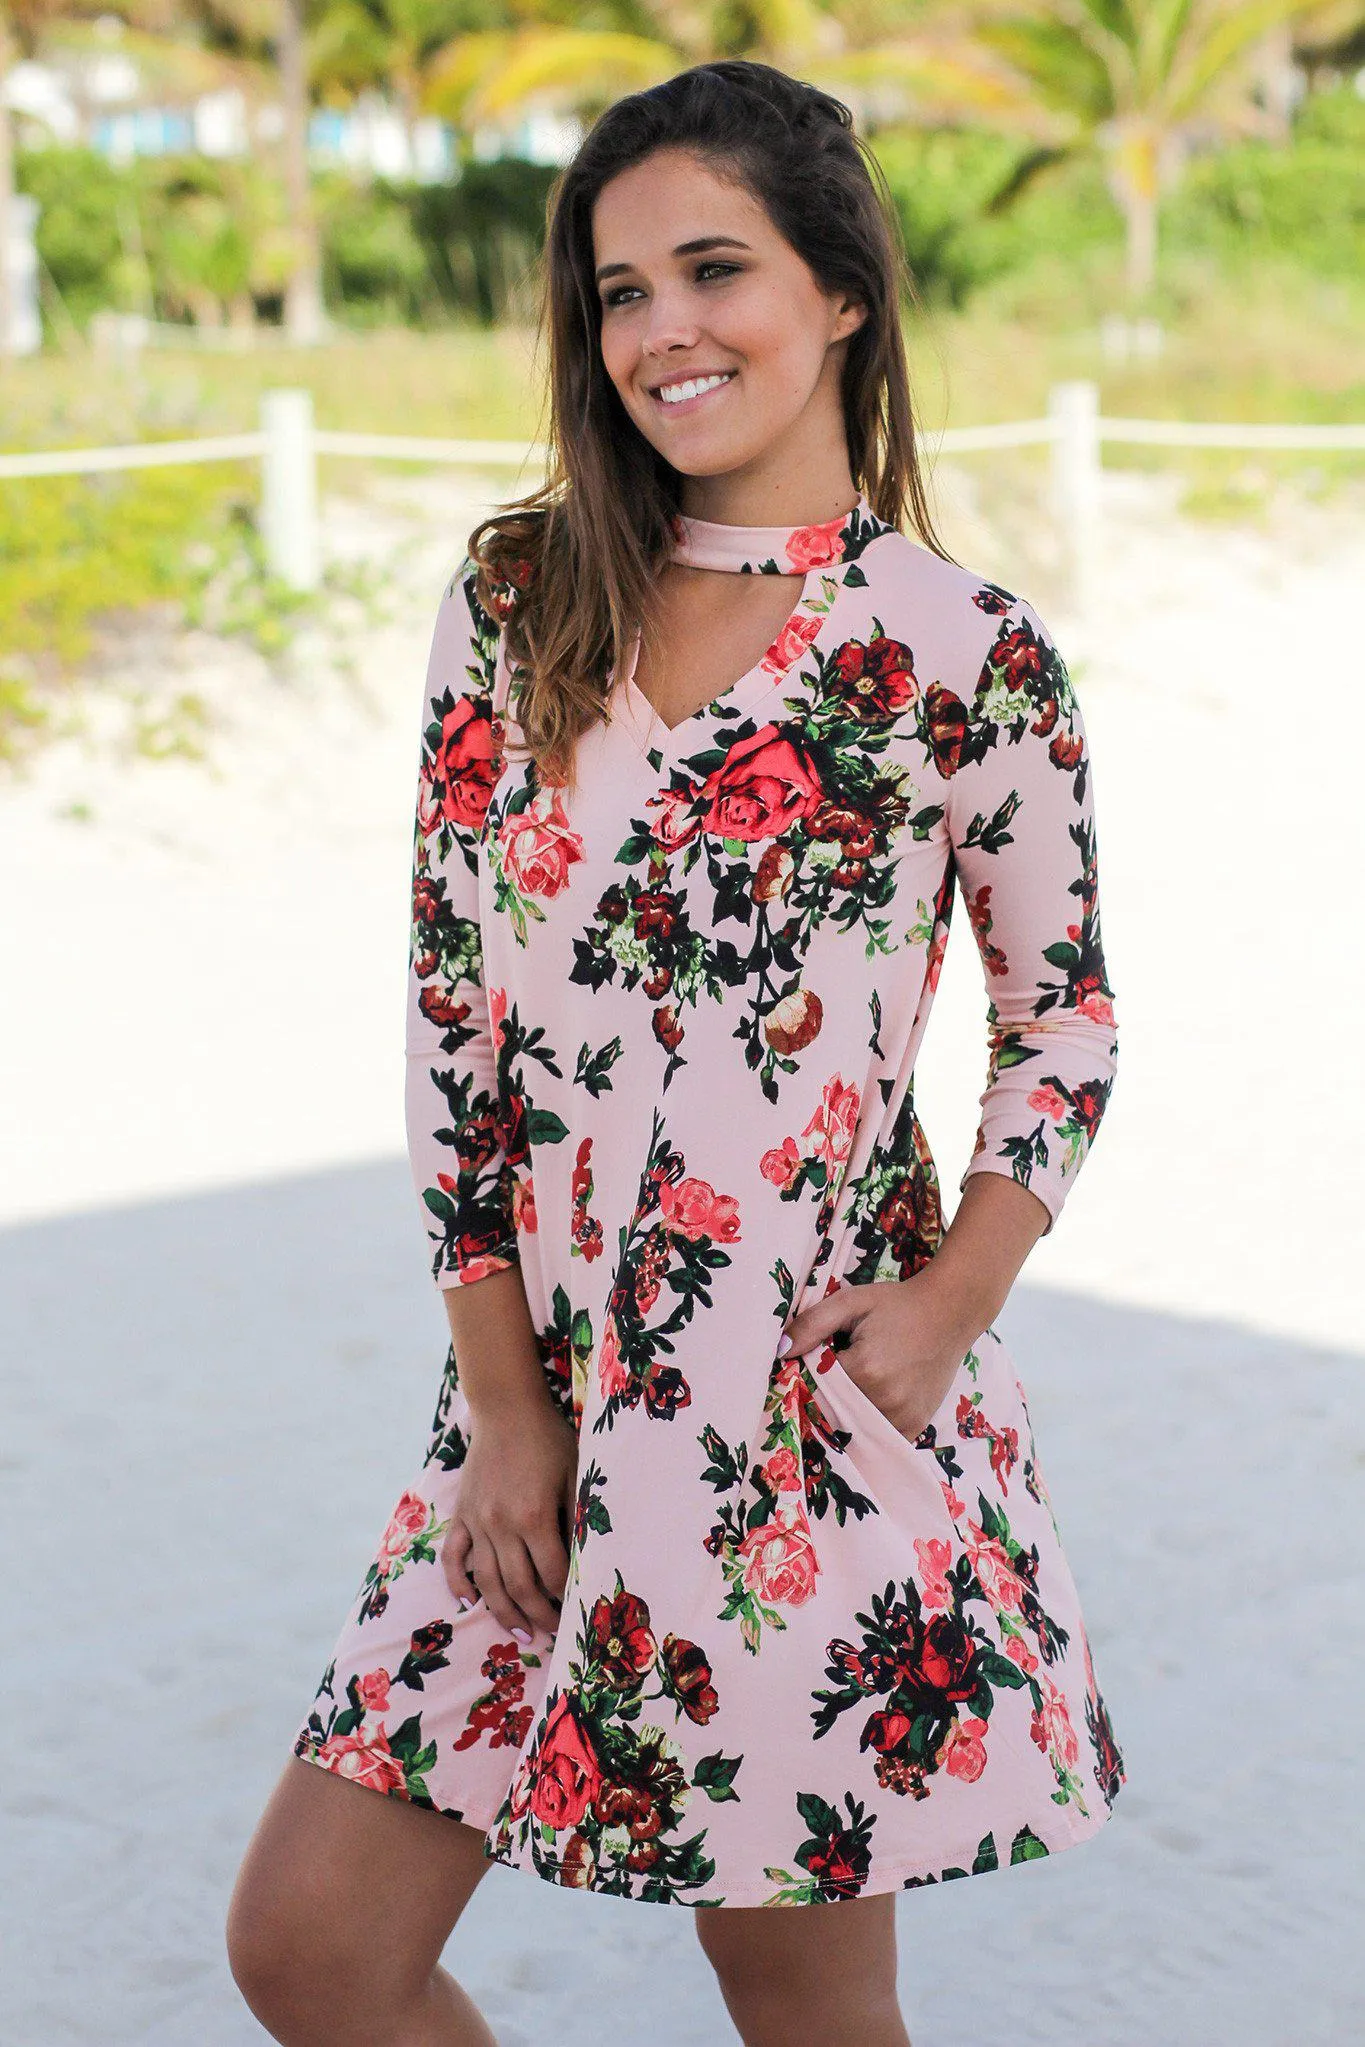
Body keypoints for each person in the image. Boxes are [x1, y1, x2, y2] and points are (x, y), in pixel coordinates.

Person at [227, 58, 1124, 2047]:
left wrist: (947, 1306)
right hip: (532, 1414)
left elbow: (1059, 1016)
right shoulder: (523, 596)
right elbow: (456, 1011)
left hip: (804, 1425)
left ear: (838, 296)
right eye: (615, 291)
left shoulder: (959, 651)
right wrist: (501, 1405)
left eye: (710, 268)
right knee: (313, 1949)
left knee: (792, 2001)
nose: (657, 330)